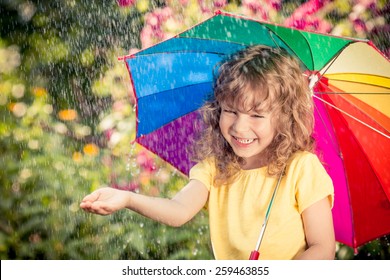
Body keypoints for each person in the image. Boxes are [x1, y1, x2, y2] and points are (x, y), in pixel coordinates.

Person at [80, 45, 335, 260]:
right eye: (231, 110)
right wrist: (127, 199)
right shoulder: (215, 168)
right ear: (217, 109)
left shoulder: (302, 168)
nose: (239, 126)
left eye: (257, 115)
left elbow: (323, 249)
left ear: (284, 119)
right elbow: (178, 211)